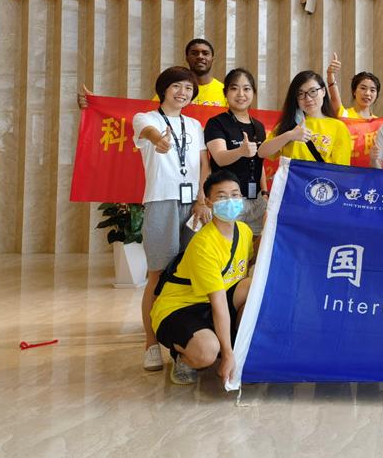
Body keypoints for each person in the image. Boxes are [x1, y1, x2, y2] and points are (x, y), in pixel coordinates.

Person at [132, 66, 211, 372]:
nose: (182, 92)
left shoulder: (194, 124)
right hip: (161, 201)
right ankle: (151, 343)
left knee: (191, 273)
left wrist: (202, 198)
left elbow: (203, 163)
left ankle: (181, 343)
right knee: (158, 273)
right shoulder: (146, 118)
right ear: (163, 89)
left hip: (193, 205)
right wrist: (159, 141)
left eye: (189, 88)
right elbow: (149, 134)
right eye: (177, 86)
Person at [150, 170, 253, 385]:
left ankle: (235, 345)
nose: (230, 201)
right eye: (222, 196)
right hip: (180, 308)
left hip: (212, 302)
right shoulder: (204, 245)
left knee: (253, 286)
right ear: (208, 202)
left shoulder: (244, 231)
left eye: (235, 195)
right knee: (207, 351)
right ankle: (184, 356)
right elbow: (218, 302)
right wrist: (227, 354)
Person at [204, 68, 268, 245]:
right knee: (229, 246)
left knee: (255, 247)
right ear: (225, 93)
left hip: (256, 200)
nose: (241, 94)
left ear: (253, 93)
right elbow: (219, 157)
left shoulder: (259, 126)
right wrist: (241, 151)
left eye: (246, 89)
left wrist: (264, 192)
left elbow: (259, 162)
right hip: (229, 201)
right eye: (234, 88)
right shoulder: (216, 123)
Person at [77, 38, 228, 108]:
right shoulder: (172, 90)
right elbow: (145, 115)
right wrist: (96, 105)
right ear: (187, 58)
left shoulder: (224, 91)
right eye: (194, 53)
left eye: (205, 53)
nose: (200, 56)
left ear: (212, 58)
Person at [261, 71, 353, 165]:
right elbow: (262, 152)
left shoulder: (338, 127)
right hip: (291, 175)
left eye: (313, 91)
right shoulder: (289, 124)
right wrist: (289, 135)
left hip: (321, 175)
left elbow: (341, 169)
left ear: (323, 91)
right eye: (300, 94)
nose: (308, 99)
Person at [325, 53, 381, 118]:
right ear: (354, 91)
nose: (367, 93)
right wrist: (330, 74)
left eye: (372, 90)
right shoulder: (344, 115)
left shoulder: (378, 121)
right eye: (363, 88)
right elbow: (334, 98)